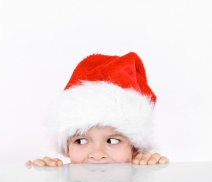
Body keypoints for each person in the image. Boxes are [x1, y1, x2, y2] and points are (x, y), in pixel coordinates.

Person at [26, 52, 169, 167]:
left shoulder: (139, 179)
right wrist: (48, 179)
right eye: (80, 141)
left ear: (135, 149)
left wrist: (148, 173)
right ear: (67, 149)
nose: (97, 154)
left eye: (112, 141)